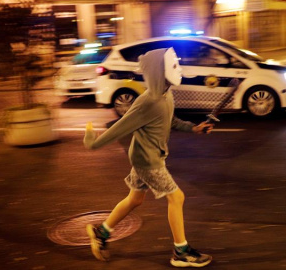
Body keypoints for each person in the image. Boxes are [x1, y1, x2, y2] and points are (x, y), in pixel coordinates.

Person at [83, 47, 214, 268]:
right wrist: (93, 143)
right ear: (158, 71)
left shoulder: (166, 94)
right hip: (148, 160)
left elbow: (170, 121)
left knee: (135, 199)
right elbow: (121, 127)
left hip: (148, 154)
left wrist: (194, 128)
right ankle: (181, 252)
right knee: (177, 197)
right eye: (173, 65)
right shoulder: (148, 101)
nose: (178, 69)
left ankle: (101, 233)